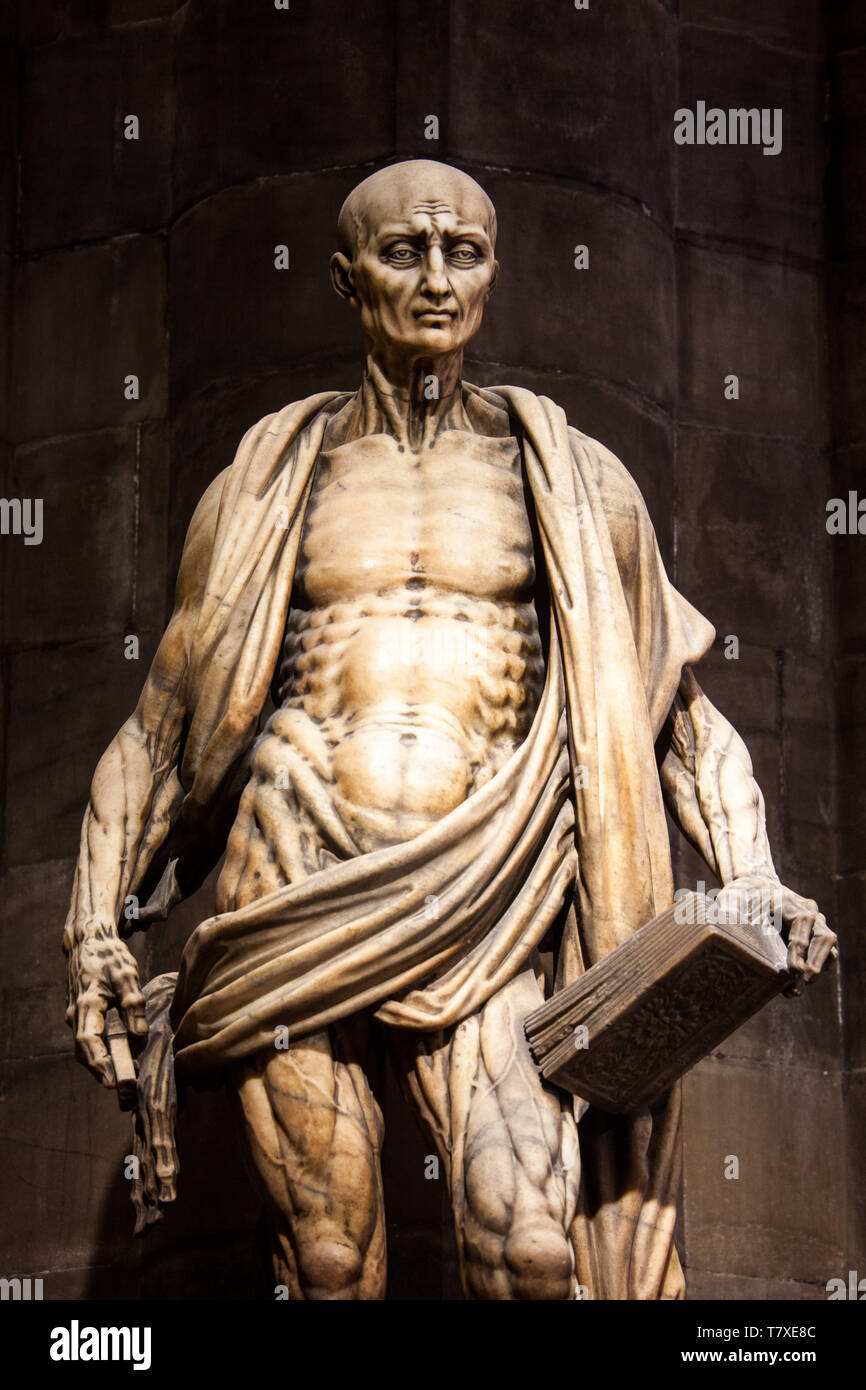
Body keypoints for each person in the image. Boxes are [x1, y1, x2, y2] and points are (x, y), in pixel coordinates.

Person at [63, 160, 836, 1300]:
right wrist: (94, 927)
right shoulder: (273, 478)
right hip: (293, 869)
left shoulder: (568, 479)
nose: (434, 280)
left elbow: (673, 716)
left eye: (461, 253)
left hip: (493, 882)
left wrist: (752, 876)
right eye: (403, 252)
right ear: (344, 278)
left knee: (528, 1249)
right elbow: (161, 726)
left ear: (490, 275)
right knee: (328, 1263)